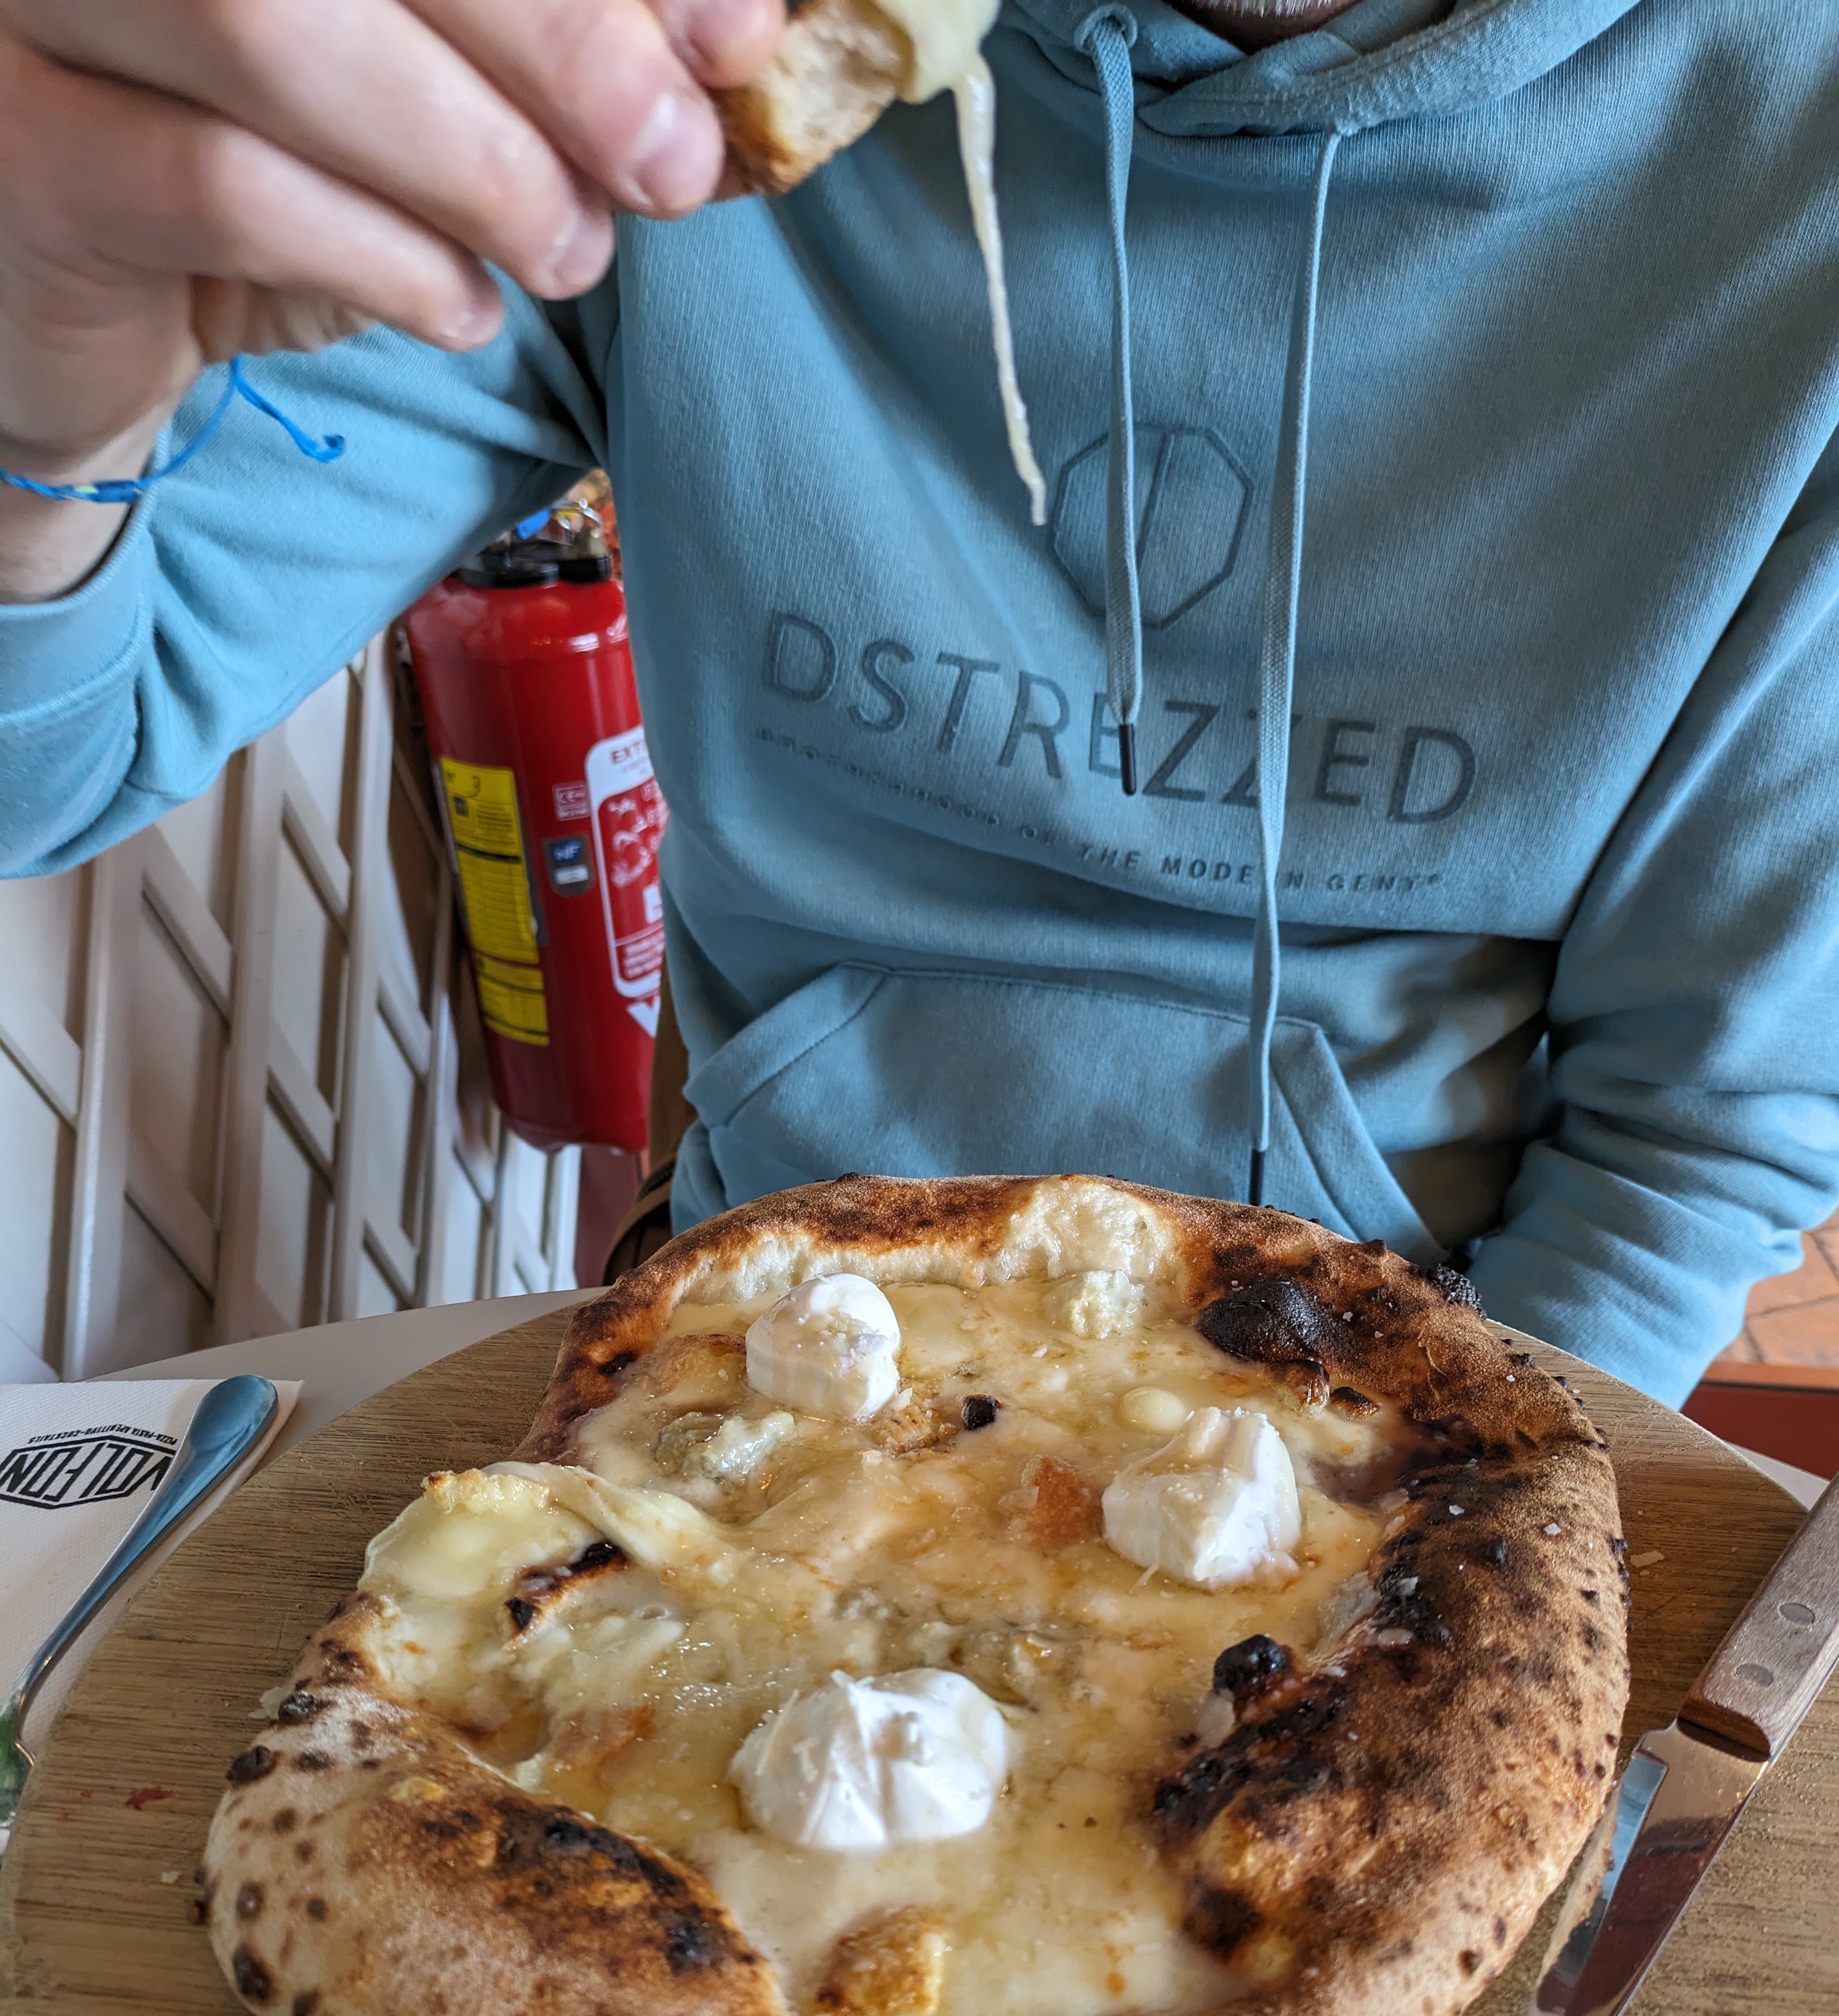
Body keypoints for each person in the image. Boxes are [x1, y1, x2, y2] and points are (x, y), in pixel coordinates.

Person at [2, 0, 1835, 1405]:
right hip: (761, 1320)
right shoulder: (662, 52)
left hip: (1400, 1373)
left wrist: (1465, 1511)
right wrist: (38, 394)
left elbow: (1687, 1138)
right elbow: (59, 760)